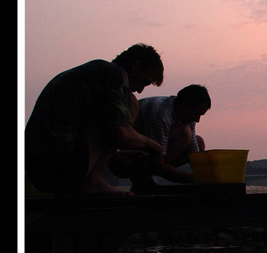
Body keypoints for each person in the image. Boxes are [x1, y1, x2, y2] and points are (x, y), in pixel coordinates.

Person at [25, 43, 165, 196]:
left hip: (38, 166)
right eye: (144, 81)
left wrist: (113, 156)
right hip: (55, 164)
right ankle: (92, 180)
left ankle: (92, 178)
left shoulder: (92, 74)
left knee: (122, 110)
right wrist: (152, 145)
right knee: (129, 105)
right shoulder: (113, 73)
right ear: (136, 66)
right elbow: (120, 133)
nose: (140, 90)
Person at [109, 84, 211, 189]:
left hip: (151, 154)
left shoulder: (187, 117)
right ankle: (143, 179)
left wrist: (205, 175)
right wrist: (194, 179)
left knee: (199, 141)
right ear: (185, 104)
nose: (197, 120)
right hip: (124, 159)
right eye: (196, 114)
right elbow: (157, 163)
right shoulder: (160, 114)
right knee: (184, 133)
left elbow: (193, 151)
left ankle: (146, 178)